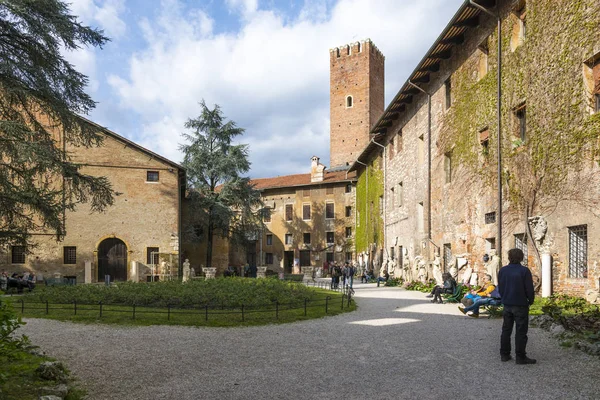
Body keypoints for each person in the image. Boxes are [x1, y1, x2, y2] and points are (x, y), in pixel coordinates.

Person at [498, 248, 536, 364]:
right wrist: (531, 300)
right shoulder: (524, 271)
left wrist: (504, 297)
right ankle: (520, 356)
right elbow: (529, 288)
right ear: (521, 257)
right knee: (521, 331)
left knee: (506, 330)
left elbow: (500, 287)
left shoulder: (503, 271)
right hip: (520, 304)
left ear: (509, 257)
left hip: (507, 303)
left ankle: (504, 354)